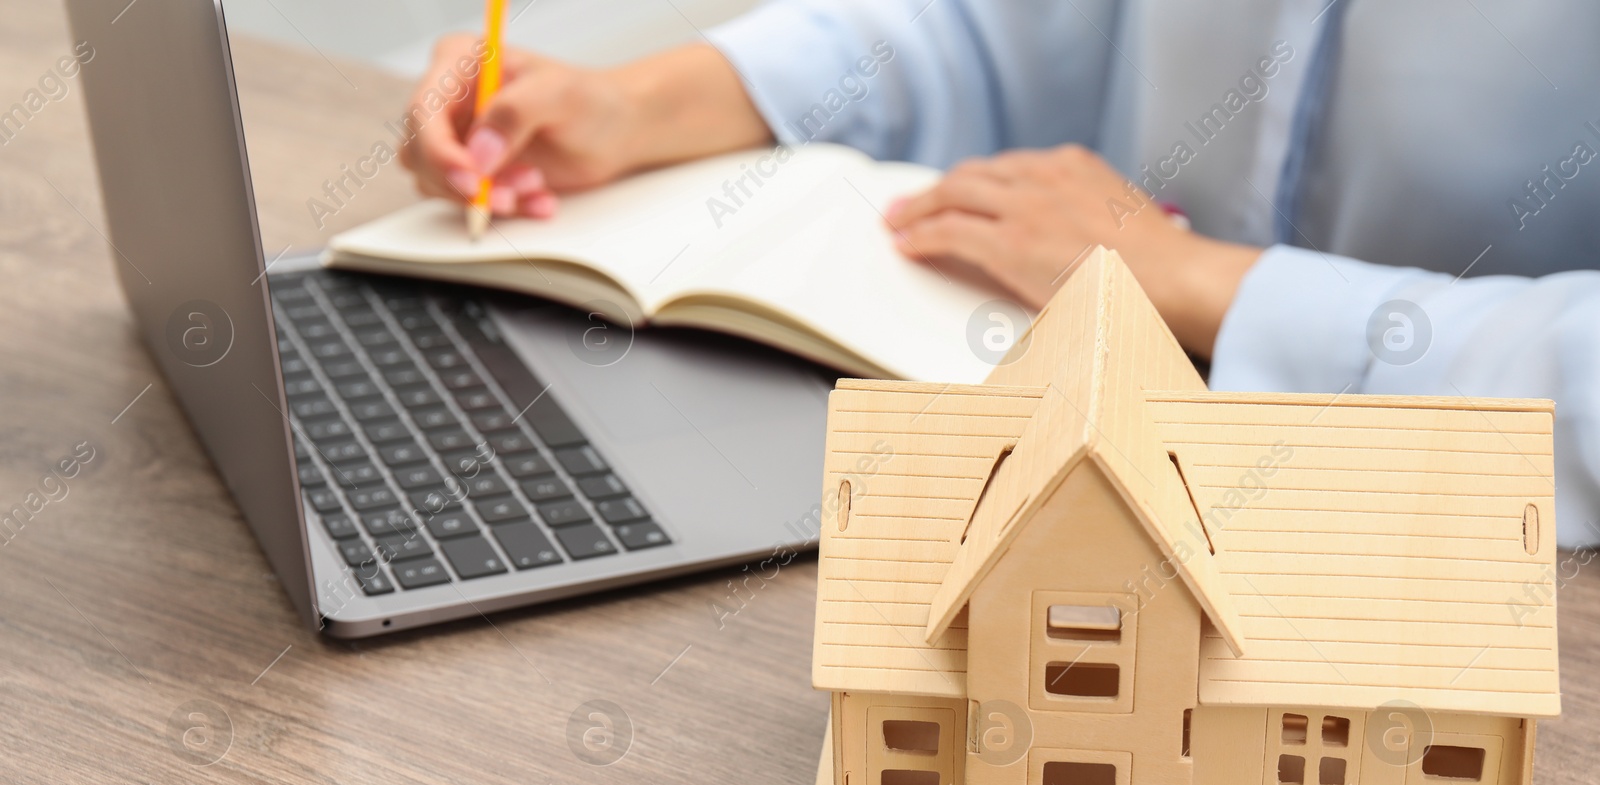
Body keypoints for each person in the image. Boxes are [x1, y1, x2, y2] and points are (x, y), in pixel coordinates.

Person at [398, 0, 1600, 544]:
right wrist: (643, 102)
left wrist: (1206, 282)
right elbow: (998, 24)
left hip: (1494, 565)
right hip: (1092, 429)